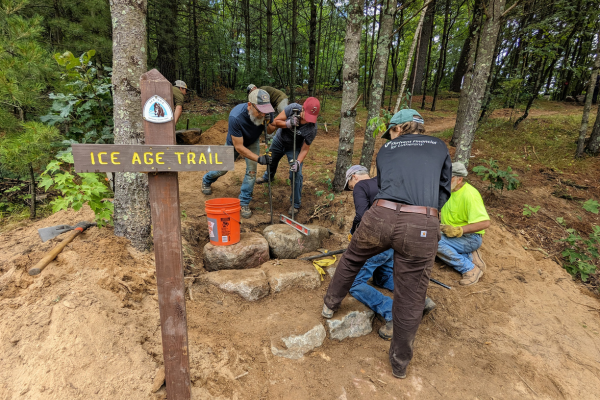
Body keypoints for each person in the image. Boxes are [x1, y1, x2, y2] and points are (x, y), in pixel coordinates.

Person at [322, 109, 452, 380]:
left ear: (397, 129)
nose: (389, 136)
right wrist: (425, 215)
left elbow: (384, 186)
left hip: (381, 215)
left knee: (351, 258)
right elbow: (443, 188)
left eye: (390, 132)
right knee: (411, 293)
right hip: (421, 223)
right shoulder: (439, 146)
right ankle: (399, 363)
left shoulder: (386, 150)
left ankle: (330, 304)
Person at [344, 165, 436, 340]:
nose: (351, 190)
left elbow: (363, 217)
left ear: (354, 177)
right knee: (384, 275)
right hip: (397, 239)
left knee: (354, 282)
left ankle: (392, 313)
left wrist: (353, 236)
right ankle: (420, 301)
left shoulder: (361, 187)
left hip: (377, 240)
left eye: (349, 185)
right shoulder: (386, 183)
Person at [201, 89, 275, 218]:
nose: (263, 114)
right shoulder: (236, 116)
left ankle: (244, 201)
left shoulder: (266, 112)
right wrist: (259, 159)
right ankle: (207, 179)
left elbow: (269, 131)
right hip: (234, 143)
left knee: (252, 172)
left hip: (252, 141)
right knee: (222, 169)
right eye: (260, 111)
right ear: (249, 105)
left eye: (265, 111)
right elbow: (239, 147)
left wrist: (268, 122)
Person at [255, 98, 320, 215]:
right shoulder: (292, 109)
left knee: (296, 174)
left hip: (294, 148)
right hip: (279, 141)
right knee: (271, 161)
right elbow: (274, 122)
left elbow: (305, 149)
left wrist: (298, 162)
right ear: (303, 109)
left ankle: (295, 204)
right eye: (307, 115)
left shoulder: (312, 128)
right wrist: (287, 123)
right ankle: (268, 177)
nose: (309, 120)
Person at [437, 162, 490, 286]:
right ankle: (470, 255)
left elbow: (485, 223)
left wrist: (459, 230)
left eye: (446, 179)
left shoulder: (470, 195)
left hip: (470, 238)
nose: (442, 182)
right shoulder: (448, 191)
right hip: (450, 234)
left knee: (434, 242)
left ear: (459, 179)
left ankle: (470, 268)